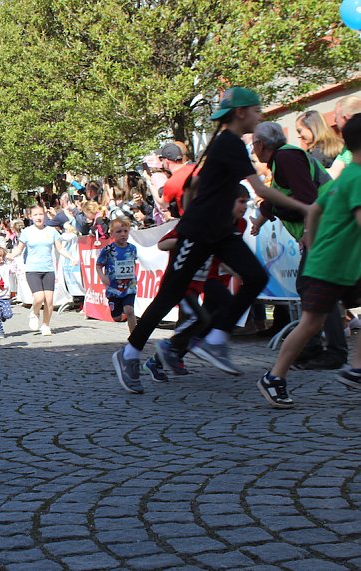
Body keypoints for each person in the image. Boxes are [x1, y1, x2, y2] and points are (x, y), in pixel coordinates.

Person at [111, 86, 306, 393]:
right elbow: (262, 191)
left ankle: (214, 339)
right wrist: (307, 208)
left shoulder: (223, 143)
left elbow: (194, 184)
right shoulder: (228, 143)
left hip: (219, 232)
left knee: (255, 277)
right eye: (257, 110)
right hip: (200, 232)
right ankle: (129, 353)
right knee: (169, 297)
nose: (260, 114)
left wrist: (194, 206)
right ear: (240, 113)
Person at [258, 113, 361, 407]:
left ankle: (356, 368)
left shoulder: (348, 175)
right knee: (310, 325)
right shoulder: (358, 178)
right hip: (332, 265)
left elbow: (314, 209)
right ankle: (274, 377)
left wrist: (312, 242)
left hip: (335, 262)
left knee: (312, 323)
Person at [250, 121, 345, 371]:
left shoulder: (286, 158)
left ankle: (328, 351)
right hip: (324, 226)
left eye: (253, 144)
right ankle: (316, 349)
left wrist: (307, 231)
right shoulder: (283, 159)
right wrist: (260, 220)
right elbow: (280, 198)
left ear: (260, 144)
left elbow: (306, 197)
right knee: (314, 286)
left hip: (323, 227)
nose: (252, 149)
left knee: (313, 286)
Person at [154, 186, 249, 379]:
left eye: (247, 202)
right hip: (199, 278)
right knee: (213, 313)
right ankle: (170, 351)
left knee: (201, 324)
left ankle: (163, 358)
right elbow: (163, 244)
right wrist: (193, 242)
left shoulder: (241, 224)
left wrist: (240, 269)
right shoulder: (205, 222)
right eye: (241, 202)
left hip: (218, 278)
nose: (245, 207)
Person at [6, 204, 77, 335]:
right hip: (33, 269)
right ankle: (34, 312)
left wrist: (71, 257)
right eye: (35, 215)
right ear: (30, 217)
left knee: (49, 299)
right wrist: (11, 255)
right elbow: (19, 249)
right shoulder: (27, 232)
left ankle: (45, 325)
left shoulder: (52, 231)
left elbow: (60, 249)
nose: (38, 217)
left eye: (40, 214)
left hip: (48, 269)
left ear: (44, 215)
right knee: (39, 297)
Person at [97, 218, 139, 336]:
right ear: (112, 234)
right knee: (116, 317)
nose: (123, 234)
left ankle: (134, 338)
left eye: (125, 231)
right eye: (119, 231)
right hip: (113, 288)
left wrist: (132, 277)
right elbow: (99, 265)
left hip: (129, 286)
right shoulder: (108, 250)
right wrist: (102, 277)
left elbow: (133, 263)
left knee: (129, 310)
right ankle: (121, 312)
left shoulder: (132, 249)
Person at [329, 96, 361, 179]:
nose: (335, 121)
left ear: (346, 117)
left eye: (336, 116)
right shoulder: (345, 148)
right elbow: (333, 172)